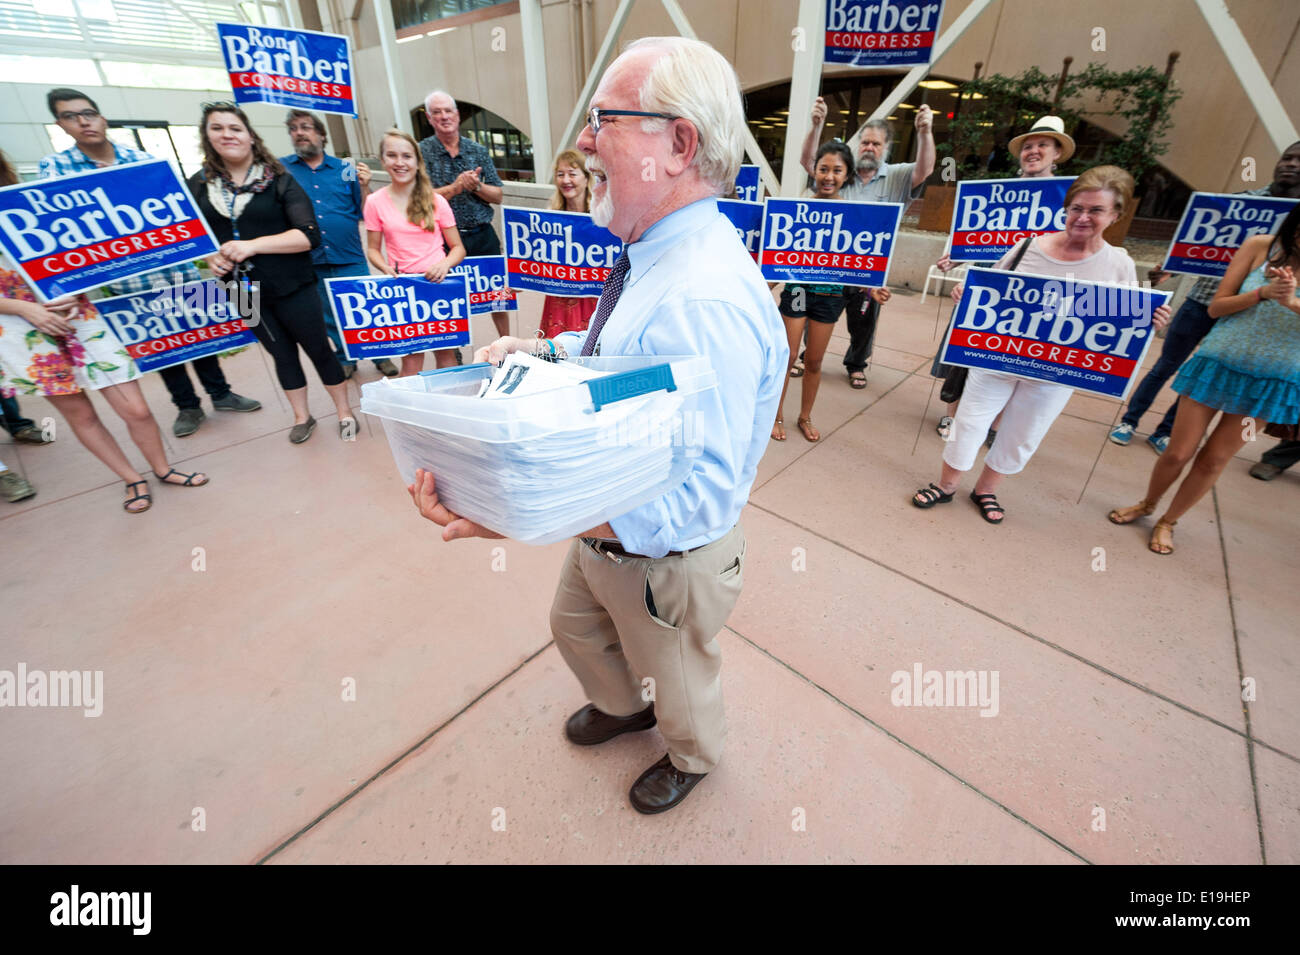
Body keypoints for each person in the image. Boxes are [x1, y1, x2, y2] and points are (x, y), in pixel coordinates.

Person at [407, 37, 786, 814]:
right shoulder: (655, 254)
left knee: (677, 672)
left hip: (664, 558)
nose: (580, 141)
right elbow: (625, 360)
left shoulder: (703, 300)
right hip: (605, 525)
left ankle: (690, 752)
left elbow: (700, 498)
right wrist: (542, 348)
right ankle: (627, 706)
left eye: (602, 119)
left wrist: (525, 507)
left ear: (677, 143)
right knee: (575, 625)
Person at [911, 166, 1171, 524]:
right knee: (969, 423)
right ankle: (946, 485)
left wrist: (1148, 320)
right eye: (1077, 208)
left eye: (1096, 210)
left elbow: (1120, 320)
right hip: (997, 360)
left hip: (1054, 373)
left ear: (1115, 215)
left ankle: (986, 490)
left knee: (1021, 434)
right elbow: (989, 289)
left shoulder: (1118, 265)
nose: (1083, 217)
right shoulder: (1028, 247)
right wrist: (966, 293)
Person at [39, 88, 262, 438]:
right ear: (60, 124)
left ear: (102, 118)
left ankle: (221, 393)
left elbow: (180, 214)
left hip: (178, 268)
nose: (83, 122)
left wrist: (205, 253)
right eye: (71, 116)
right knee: (163, 344)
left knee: (199, 334)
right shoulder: (55, 169)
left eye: (89, 113)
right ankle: (187, 407)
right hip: (131, 278)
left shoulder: (142, 160)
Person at [0, 149, 208, 513]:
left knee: (137, 409)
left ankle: (162, 468)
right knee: (81, 415)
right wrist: (22, 307)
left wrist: (75, 289)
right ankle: (132, 479)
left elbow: (82, 254)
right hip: (20, 332)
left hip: (78, 317)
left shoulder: (29, 203)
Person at [1109, 204, 1300, 554]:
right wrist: (1260, 293)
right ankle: (1148, 504)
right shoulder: (1260, 246)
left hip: (1271, 384)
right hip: (1217, 364)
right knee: (1178, 452)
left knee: (1214, 459)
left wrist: (1291, 302)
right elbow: (1216, 307)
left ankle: (1169, 521)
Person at [1109, 141, 1300, 453]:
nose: (1291, 164)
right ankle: (1129, 420)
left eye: (1299, 160)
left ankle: (1166, 431)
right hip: (1203, 300)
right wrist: (1170, 269)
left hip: (1244, 316)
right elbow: (1197, 245)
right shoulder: (1242, 201)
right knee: (1166, 365)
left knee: (1200, 380)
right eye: (1287, 157)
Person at [187, 103, 353, 443]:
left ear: (250, 135)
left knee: (318, 348)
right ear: (207, 137)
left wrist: (253, 245)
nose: (226, 134)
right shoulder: (200, 184)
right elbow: (190, 236)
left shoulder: (278, 179)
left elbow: (308, 235)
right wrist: (208, 257)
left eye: (234, 128)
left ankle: (344, 412)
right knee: (280, 353)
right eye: (217, 128)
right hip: (241, 291)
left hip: (293, 284)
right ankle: (301, 416)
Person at [933, 115, 1076, 442]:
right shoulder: (998, 193)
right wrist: (959, 255)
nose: (1034, 151)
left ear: (1057, 153)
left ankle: (993, 426)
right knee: (963, 357)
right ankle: (952, 418)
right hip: (985, 290)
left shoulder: (1068, 198)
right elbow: (986, 241)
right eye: (1028, 146)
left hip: (1033, 298)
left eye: (1043, 145)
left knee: (1013, 362)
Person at [799, 97, 934, 387]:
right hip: (832, 267)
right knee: (816, 313)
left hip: (868, 271)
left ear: (886, 149)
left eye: (876, 144)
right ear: (856, 146)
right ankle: (807, 356)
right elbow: (810, 163)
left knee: (863, 323)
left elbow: (924, 170)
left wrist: (925, 133)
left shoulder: (897, 176)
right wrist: (816, 126)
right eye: (865, 143)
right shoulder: (841, 174)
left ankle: (856, 364)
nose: (869, 148)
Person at [772, 141, 890, 442]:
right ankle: (776, 415)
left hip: (830, 295)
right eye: (823, 169)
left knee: (814, 362)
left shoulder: (853, 214)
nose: (829, 176)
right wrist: (767, 283)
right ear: (814, 171)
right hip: (798, 290)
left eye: (837, 170)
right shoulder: (799, 208)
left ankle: (805, 416)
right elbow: (780, 255)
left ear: (847, 174)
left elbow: (857, 261)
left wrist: (871, 287)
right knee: (787, 357)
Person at [281, 109, 397, 379]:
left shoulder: (345, 168)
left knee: (367, 308)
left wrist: (366, 187)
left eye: (306, 127)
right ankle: (346, 357)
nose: (299, 132)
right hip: (308, 258)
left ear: (321, 135)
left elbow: (364, 213)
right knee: (328, 314)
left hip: (350, 255)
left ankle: (381, 356)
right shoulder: (281, 169)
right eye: (294, 128)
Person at [364, 129, 466, 375]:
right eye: (392, 155)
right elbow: (372, 249)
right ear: (383, 160)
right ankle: (412, 411)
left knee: (446, 354)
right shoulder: (374, 202)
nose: (400, 162)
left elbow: (458, 248)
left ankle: (449, 407)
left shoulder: (436, 201)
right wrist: (383, 266)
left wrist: (445, 265)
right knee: (411, 360)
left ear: (417, 162)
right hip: (405, 288)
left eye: (407, 156)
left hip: (439, 286)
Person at [419, 90, 510, 339]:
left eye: (448, 111)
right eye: (437, 112)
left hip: (483, 234)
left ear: (457, 115)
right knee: (447, 296)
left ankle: (506, 343)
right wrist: (456, 187)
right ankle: (453, 348)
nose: (444, 116)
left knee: (498, 294)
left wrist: (476, 186)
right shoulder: (421, 152)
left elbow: (498, 195)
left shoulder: (477, 150)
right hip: (445, 240)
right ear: (429, 118)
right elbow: (421, 200)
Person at [539, 149, 598, 340]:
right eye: (560, 174)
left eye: (572, 174)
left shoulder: (601, 214)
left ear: (586, 177)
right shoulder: (548, 217)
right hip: (559, 298)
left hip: (591, 296)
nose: (566, 180)